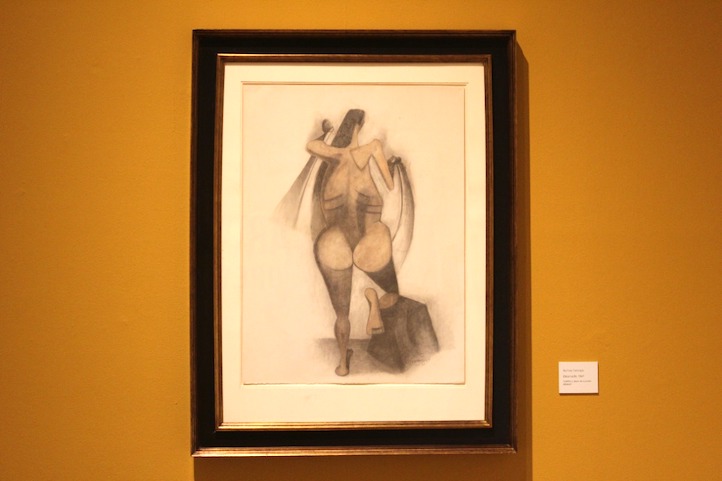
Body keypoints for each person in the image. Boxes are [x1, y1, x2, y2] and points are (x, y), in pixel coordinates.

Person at [306, 109, 402, 376]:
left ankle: (343, 363)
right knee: (393, 293)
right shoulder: (373, 147)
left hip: (334, 241)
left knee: (341, 315)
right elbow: (390, 185)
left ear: (344, 128)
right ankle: (375, 303)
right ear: (361, 126)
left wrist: (326, 132)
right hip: (371, 236)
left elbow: (310, 146)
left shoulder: (333, 154)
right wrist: (391, 166)